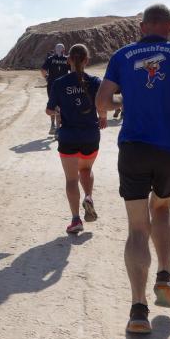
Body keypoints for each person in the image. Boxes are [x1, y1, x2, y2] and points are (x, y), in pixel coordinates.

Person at [96, 3, 170, 334]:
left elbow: (102, 102)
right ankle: (164, 274)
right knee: (161, 209)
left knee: (137, 228)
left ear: (142, 27)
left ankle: (138, 310)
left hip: (134, 148)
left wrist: (124, 102)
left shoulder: (123, 55)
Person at [48, 44, 120, 234]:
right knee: (86, 169)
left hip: (68, 136)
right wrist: (103, 117)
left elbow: (49, 109)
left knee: (71, 179)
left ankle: (75, 220)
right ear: (87, 60)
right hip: (90, 135)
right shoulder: (95, 81)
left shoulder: (59, 83)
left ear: (68, 60)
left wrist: (58, 111)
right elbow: (102, 104)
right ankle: (88, 196)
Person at [41, 43, 70, 137]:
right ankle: (58, 129)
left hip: (51, 86)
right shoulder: (67, 59)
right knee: (60, 106)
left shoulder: (50, 59)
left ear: (55, 50)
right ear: (63, 50)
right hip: (63, 86)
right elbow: (72, 71)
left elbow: (43, 70)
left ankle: (53, 125)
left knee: (52, 105)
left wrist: (47, 78)